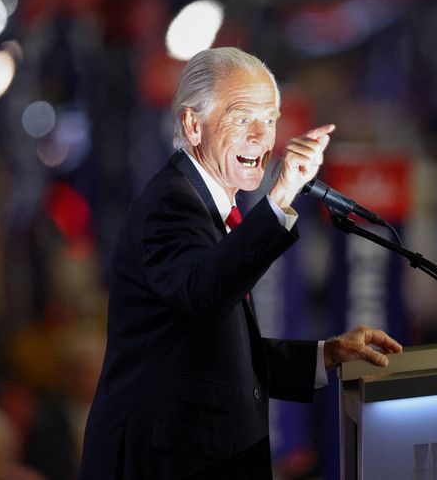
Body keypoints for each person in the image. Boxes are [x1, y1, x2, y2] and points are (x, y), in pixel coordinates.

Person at [78, 47, 402, 479]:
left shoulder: (209, 206)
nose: (260, 135)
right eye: (242, 116)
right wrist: (280, 198)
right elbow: (206, 292)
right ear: (193, 125)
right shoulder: (172, 204)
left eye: (269, 120)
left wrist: (326, 356)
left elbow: (213, 350)